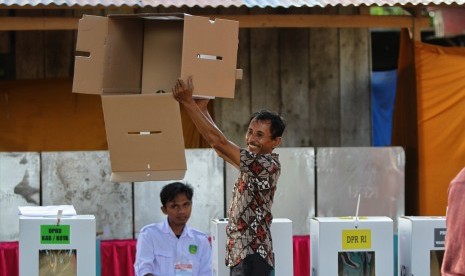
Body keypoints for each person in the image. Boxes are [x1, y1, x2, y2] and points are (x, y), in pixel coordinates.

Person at [172, 76, 286, 276]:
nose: (251, 139)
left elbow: (220, 143)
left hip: (252, 256)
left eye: (260, 135)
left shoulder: (266, 165)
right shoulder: (253, 163)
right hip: (244, 255)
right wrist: (202, 110)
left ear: (275, 142)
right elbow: (221, 150)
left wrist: (188, 103)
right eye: (250, 132)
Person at [134, 182, 212, 276]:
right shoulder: (149, 235)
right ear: (164, 210)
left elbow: (207, 272)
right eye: (175, 206)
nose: (182, 211)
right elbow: (143, 270)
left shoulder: (201, 240)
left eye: (186, 205)